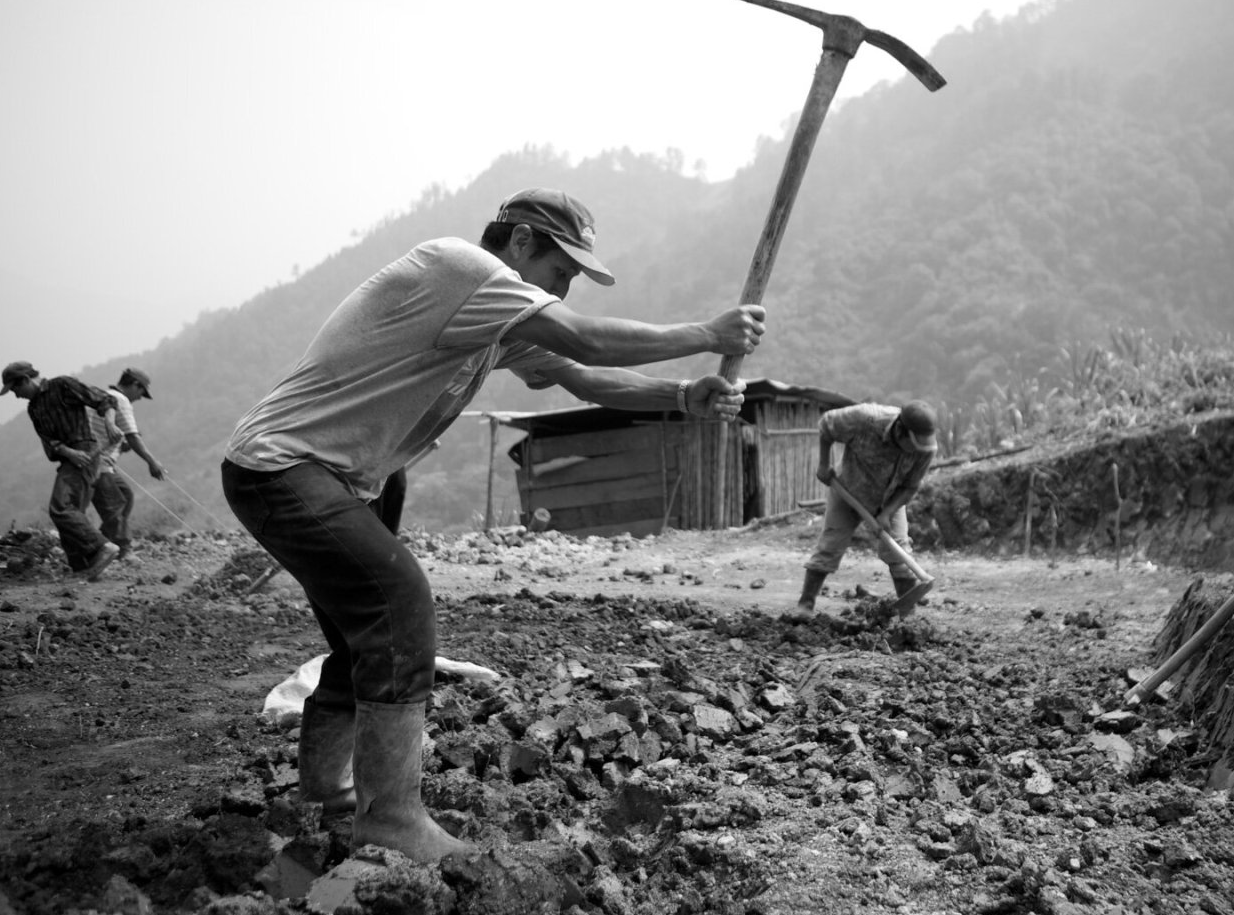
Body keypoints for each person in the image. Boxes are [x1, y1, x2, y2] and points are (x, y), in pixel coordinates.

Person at [221, 187, 765, 863]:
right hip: (282, 467)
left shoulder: (497, 322)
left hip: (346, 477)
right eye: (561, 271)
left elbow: (584, 377)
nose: (562, 289)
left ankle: (329, 796)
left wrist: (683, 395)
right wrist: (709, 334)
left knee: (363, 641)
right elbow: (583, 337)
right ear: (522, 241)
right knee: (397, 604)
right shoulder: (462, 269)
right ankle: (390, 819)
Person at [795, 400, 939, 617]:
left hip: (890, 499)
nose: (916, 450)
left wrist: (887, 513)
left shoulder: (926, 449)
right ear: (900, 430)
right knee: (830, 545)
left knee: (899, 552)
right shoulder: (866, 419)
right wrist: (824, 464)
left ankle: (908, 615)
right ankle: (805, 605)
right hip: (848, 491)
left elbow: (910, 487)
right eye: (913, 444)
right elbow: (826, 424)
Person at [0, 361, 121, 581]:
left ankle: (101, 547)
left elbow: (106, 400)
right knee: (72, 513)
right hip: (69, 457)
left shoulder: (63, 385)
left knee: (61, 507)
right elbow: (50, 441)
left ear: (25, 380)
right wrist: (68, 453)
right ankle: (83, 567)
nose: (16, 395)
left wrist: (110, 423)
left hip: (86, 450)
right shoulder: (34, 408)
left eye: (15, 389)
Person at [90, 367, 167, 562]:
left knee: (125, 495)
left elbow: (109, 431)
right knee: (115, 505)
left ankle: (105, 544)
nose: (140, 398)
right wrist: (152, 462)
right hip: (99, 463)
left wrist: (119, 444)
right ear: (134, 385)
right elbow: (133, 436)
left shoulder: (104, 396)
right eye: (141, 392)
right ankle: (123, 550)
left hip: (100, 460)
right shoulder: (120, 400)